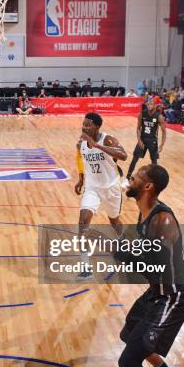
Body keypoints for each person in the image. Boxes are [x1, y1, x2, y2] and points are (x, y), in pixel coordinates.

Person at [118, 164, 184, 367]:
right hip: (157, 292)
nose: (131, 177)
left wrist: (125, 256)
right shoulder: (144, 212)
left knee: (128, 362)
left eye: (137, 176)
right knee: (129, 333)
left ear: (148, 186)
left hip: (174, 296)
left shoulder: (163, 221)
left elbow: (158, 269)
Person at [74, 112, 127, 280]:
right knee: (83, 222)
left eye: (88, 125)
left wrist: (96, 145)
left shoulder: (107, 139)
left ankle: (124, 241)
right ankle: (85, 267)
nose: (84, 127)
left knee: (114, 221)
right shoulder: (80, 143)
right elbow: (81, 159)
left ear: (97, 126)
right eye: (83, 124)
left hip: (111, 188)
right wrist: (81, 179)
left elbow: (123, 155)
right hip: (92, 188)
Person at [123, 99, 166, 188]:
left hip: (152, 140)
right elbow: (138, 128)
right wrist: (139, 140)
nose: (149, 105)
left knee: (154, 162)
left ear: (155, 106)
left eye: (151, 104)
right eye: (148, 104)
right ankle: (127, 179)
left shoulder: (159, 116)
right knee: (134, 159)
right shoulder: (142, 114)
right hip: (143, 139)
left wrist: (161, 145)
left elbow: (164, 131)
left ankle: (155, 182)